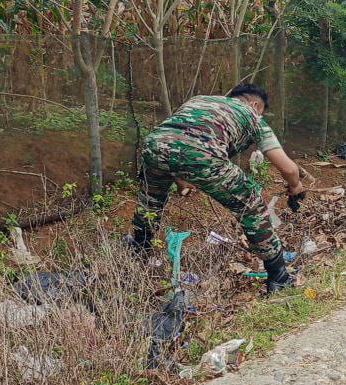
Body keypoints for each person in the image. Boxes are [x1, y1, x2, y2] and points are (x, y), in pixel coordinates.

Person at [127, 84, 306, 294]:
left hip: (154, 146)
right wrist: (296, 186)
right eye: (262, 111)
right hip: (202, 155)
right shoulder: (253, 116)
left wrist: (180, 178)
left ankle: (138, 258)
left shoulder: (199, 100)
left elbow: (178, 138)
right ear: (256, 104)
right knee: (252, 207)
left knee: (150, 202)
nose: (261, 115)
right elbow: (287, 168)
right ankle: (279, 276)